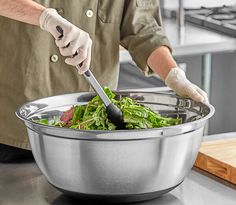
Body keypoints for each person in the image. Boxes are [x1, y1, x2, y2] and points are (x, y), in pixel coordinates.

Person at [0, 0, 208, 162]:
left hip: (95, 131)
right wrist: (45, 17)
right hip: (14, 127)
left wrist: (173, 75)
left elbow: (144, 29)